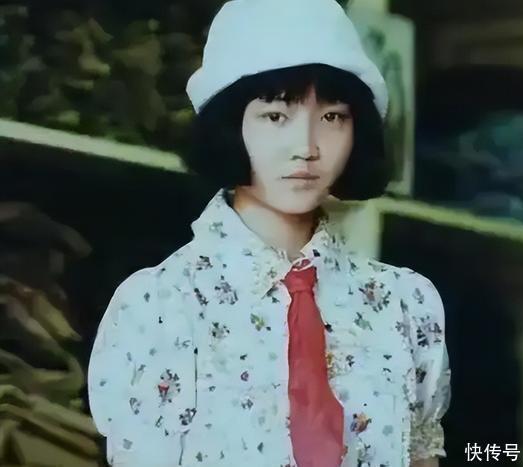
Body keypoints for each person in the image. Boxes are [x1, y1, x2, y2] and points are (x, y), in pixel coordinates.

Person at [87, 0, 451, 466]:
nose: (306, 147)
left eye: (333, 117)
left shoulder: (406, 303)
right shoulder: (159, 306)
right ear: (229, 125)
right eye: (276, 116)